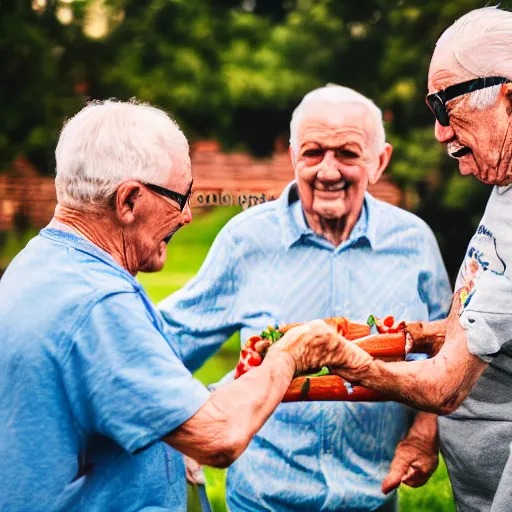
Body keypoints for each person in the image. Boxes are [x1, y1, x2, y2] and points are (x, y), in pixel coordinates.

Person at [0, 100, 346, 512]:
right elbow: (218, 437)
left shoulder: (39, 262)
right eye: (181, 197)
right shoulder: (100, 301)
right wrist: (288, 355)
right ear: (128, 201)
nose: (185, 216)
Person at [159, 85, 452, 511]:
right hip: (263, 500)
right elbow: (165, 343)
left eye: (348, 153)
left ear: (379, 161)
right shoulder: (247, 241)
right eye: (313, 152)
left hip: (373, 500)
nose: (328, 171)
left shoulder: (415, 243)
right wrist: (188, 425)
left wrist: (425, 433)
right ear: (294, 154)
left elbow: (449, 355)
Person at [324, 7, 512, 512]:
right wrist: (410, 335)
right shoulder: (504, 185)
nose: (440, 132)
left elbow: (445, 386)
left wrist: (335, 357)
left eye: (445, 107)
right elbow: (484, 320)